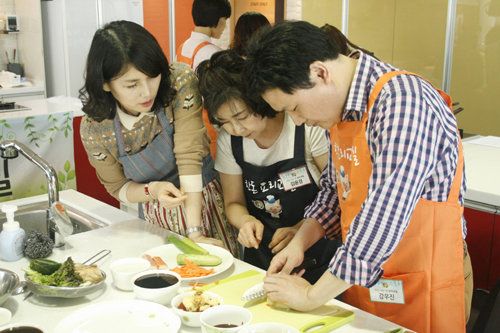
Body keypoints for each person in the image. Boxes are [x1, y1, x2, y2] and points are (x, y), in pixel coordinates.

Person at [244, 21, 472, 333]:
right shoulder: (344, 111)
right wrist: (300, 241)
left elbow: (385, 215)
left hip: (423, 278)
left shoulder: (402, 102)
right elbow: (334, 194)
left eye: (295, 108)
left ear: (320, 73)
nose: (298, 122)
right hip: (362, 277)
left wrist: (311, 295)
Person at [78, 20, 239, 256]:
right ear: (104, 84)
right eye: (131, 85)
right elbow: (118, 187)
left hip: (203, 200)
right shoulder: (95, 129)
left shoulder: (179, 82)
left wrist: (194, 231)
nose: (146, 92)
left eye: (152, 77)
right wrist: (152, 190)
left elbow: (189, 155)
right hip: (156, 214)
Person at [196, 50, 340, 283]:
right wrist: (245, 221)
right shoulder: (229, 141)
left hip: (319, 257)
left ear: (259, 98)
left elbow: (337, 195)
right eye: (224, 122)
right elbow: (233, 202)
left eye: (241, 116)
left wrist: (301, 231)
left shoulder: (304, 125)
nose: (237, 129)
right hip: (263, 259)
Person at [176, 0, 231, 158]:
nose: (225, 26)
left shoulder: (183, 46)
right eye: (224, 21)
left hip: (185, 124)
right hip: (208, 126)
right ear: (217, 20)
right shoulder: (214, 53)